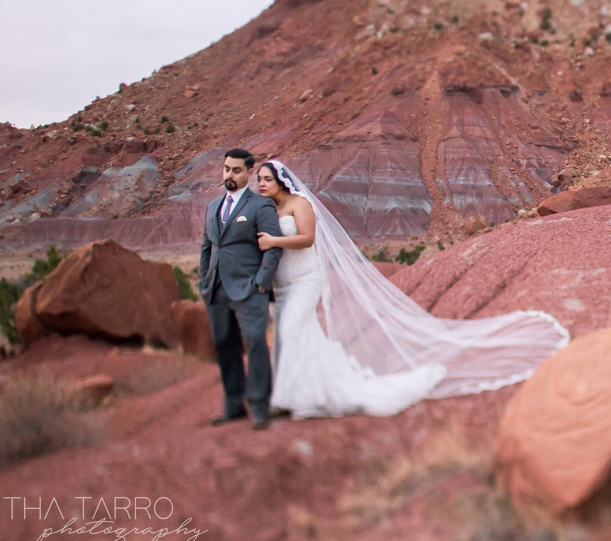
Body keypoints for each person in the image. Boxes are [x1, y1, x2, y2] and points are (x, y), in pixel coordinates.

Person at [251, 159, 568, 418]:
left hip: (306, 279)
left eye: (266, 179)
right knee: (296, 334)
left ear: (281, 180)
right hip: (283, 283)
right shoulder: (269, 211)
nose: (261, 184)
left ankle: (294, 396)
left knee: (292, 329)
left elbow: (306, 239)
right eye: (259, 180)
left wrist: (274, 240)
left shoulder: (299, 204)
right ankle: (302, 391)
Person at [199, 148, 282, 429]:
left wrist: (261, 282)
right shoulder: (212, 207)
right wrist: (203, 281)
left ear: (248, 174)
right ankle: (233, 404)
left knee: (256, 343)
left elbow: (273, 247)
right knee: (224, 346)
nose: (229, 175)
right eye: (226, 169)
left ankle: (259, 407)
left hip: (249, 289)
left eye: (236, 170)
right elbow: (206, 248)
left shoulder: (261, 206)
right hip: (216, 290)